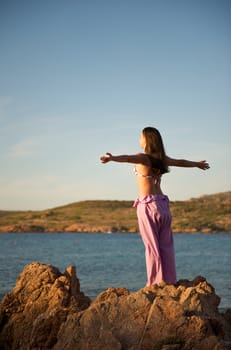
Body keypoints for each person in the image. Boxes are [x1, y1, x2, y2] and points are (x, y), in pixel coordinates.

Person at [100, 126, 210, 286]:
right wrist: (197, 164)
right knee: (166, 246)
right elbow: (180, 162)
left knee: (152, 248)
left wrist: (112, 158)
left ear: (147, 139)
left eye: (141, 136)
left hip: (148, 206)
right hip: (163, 206)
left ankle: (155, 283)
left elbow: (127, 158)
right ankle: (169, 281)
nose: (139, 139)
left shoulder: (144, 158)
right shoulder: (161, 159)